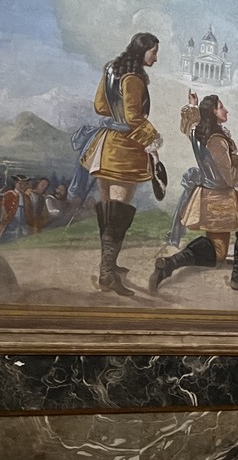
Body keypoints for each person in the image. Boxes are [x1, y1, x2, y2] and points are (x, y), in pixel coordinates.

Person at [152, 92, 238, 296]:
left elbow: (188, 125)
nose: (226, 110)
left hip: (207, 195)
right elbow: (231, 179)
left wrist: (193, 105)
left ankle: (169, 264)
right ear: (213, 112)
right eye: (221, 107)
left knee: (219, 252)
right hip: (221, 196)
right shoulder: (216, 141)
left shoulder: (198, 132)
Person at [79, 32, 163, 296]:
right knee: (117, 214)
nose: (156, 58)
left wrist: (117, 116)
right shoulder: (134, 78)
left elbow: (100, 106)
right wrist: (153, 138)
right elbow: (134, 118)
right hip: (124, 151)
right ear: (142, 51)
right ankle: (107, 274)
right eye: (154, 52)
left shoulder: (111, 70)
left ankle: (109, 266)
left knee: (108, 211)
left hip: (105, 145)